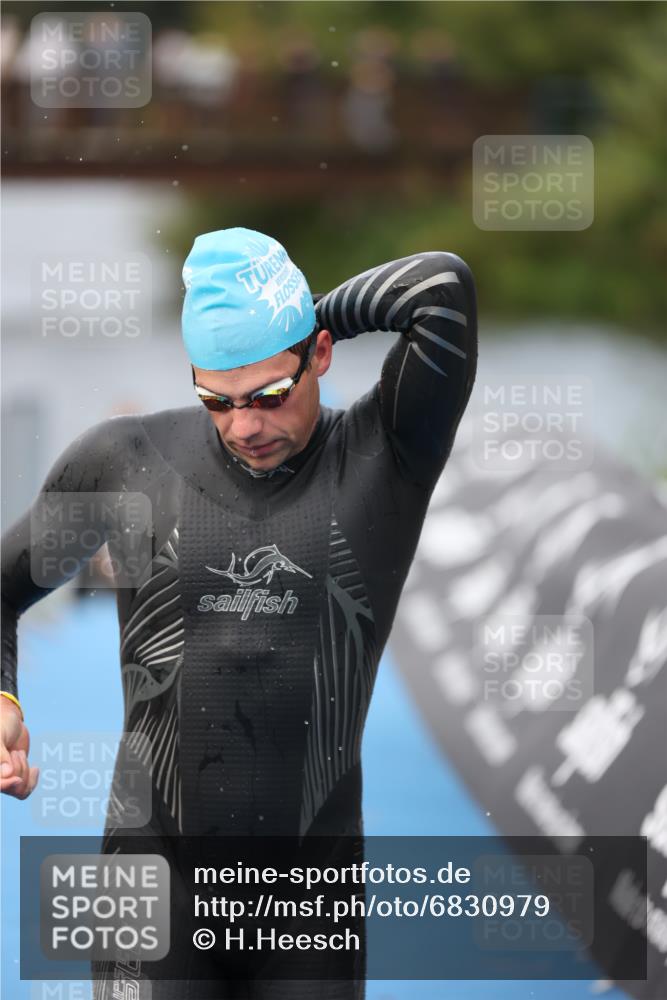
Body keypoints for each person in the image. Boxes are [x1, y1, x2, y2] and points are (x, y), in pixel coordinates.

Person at [1, 227, 477, 998]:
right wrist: (4, 696)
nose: (245, 426)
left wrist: (282, 315)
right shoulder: (125, 464)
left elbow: (441, 289)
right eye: (215, 401)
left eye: (269, 394)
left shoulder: (385, 454)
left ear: (320, 353)